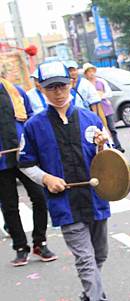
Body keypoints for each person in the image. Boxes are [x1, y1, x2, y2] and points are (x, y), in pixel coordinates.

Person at [19, 61, 110, 301]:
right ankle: (96, 298)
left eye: (61, 86)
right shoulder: (33, 126)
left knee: (99, 255)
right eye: (51, 88)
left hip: (96, 199)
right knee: (85, 259)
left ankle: (89, 294)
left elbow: (108, 162)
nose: (58, 93)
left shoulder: (91, 119)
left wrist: (103, 146)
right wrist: (47, 178)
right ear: (41, 88)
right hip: (65, 204)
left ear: (70, 83)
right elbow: (25, 162)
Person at [0, 71, 57, 266]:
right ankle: (20, 247)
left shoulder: (14, 91)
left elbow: (30, 118)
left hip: (23, 155)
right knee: (9, 206)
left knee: (40, 198)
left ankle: (40, 242)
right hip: (1, 162)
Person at [83, 63, 125, 153]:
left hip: (106, 108)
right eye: (88, 72)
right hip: (94, 110)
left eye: (92, 71)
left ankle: (117, 146)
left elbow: (109, 93)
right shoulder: (85, 84)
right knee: (99, 130)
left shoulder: (101, 81)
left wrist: (101, 95)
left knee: (111, 128)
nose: (91, 73)